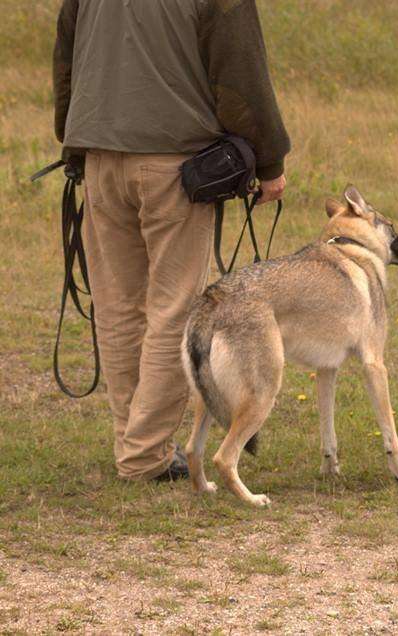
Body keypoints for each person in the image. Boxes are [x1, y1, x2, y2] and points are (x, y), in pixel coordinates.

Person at [53, 0, 290, 481]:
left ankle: (134, 446)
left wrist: (75, 138)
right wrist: (269, 162)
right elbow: (241, 72)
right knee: (173, 311)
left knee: (117, 307)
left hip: (100, 157)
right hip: (175, 167)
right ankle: (144, 456)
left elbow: (66, 60)